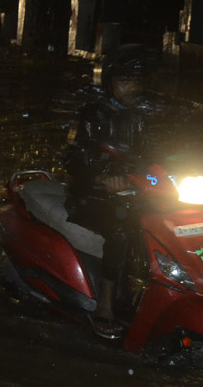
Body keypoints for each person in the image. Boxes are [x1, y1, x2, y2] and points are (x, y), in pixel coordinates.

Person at [62, 47, 152, 338]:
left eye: (136, 81)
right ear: (109, 81)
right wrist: (101, 177)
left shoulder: (140, 118)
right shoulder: (92, 114)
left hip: (130, 194)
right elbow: (71, 158)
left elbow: (153, 156)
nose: (132, 87)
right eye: (125, 80)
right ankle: (104, 306)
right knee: (122, 229)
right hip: (90, 197)